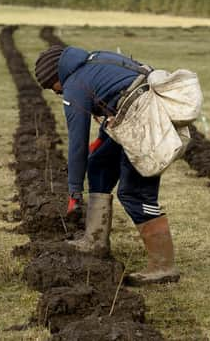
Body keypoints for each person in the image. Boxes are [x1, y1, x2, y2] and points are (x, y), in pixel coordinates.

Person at [35, 44, 180, 285]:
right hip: (135, 116)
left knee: (135, 193)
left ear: (56, 76)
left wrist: (74, 192)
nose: (54, 92)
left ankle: (164, 266)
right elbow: (116, 97)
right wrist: (100, 143)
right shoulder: (95, 60)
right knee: (99, 164)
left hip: (145, 123)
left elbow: (77, 142)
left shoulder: (74, 85)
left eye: (52, 86)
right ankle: (95, 240)